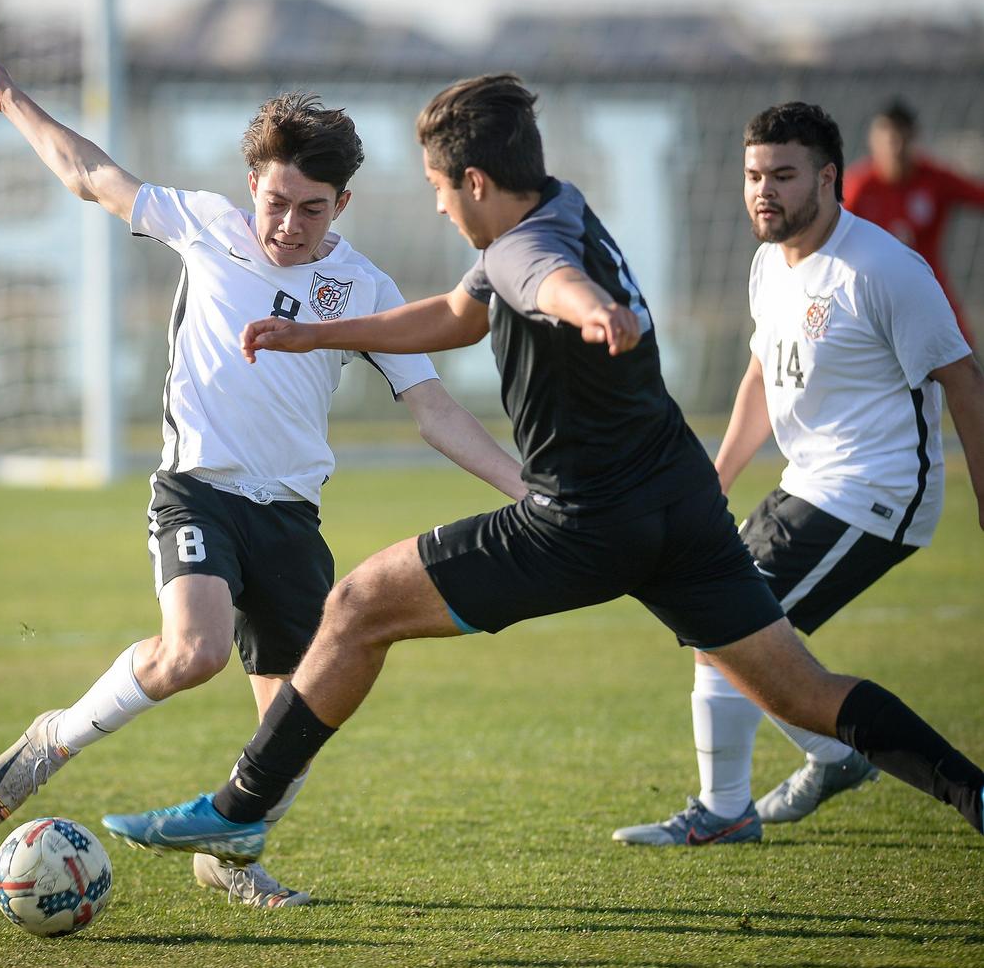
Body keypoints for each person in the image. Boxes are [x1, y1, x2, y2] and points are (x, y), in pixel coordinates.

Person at [98, 76, 984, 874]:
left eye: (443, 192)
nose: (441, 212)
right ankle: (973, 794)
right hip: (683, 506)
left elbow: (543, 281)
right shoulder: (560, 205)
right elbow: (456, 314)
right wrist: (314, 334)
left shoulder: (526, 252)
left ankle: (238, 811)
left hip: (583, 522)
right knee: (806, 691)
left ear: (476, 182)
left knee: (360, 604)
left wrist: (587, 307)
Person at [0, 49, 527, 908]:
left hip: (292, 519)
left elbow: (434, 410)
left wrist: (527, 489)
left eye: (312, 209)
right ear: (250, 185)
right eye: (275, 202)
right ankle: (55, 739)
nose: (289, 225)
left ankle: (227, 856)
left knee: (290, 731)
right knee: (195, 651)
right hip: (199, 489)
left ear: (342, 205)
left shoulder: (361, 285)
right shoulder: (205, 225)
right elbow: (90, 175)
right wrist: (12, 103)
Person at [611, 102, 984, 847]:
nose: (764, 191)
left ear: (828, 177)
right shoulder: (766, 264)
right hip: (807, 486)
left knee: (728, 623)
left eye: (783, 175)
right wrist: (719, 475)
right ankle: (796, 775)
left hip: (876, 492)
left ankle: (761, 799)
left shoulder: (882, 268)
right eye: (754, 175)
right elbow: (762, 373)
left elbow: (964, 381)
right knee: (713, 618)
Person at [844, 99, 984, 349]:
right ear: (874, 141)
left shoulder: (935, 179)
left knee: (964, 357)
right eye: (888, 140)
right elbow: (831, 232)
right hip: (874, 294)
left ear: (914, 139)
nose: (895, 149)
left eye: (901, 139)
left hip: (929, 288)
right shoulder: (859, 187)